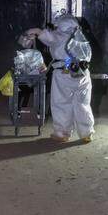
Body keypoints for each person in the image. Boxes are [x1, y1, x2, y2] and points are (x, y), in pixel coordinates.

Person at [24, 15, 94, 143]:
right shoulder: (81, 37)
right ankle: (86, 132)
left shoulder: (60, 35)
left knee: (61, 103)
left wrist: (35, 31)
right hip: (83, 73)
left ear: (61, 25)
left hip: (64, 73)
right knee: (82, 104)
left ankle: (62, 133)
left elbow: (47, 36)